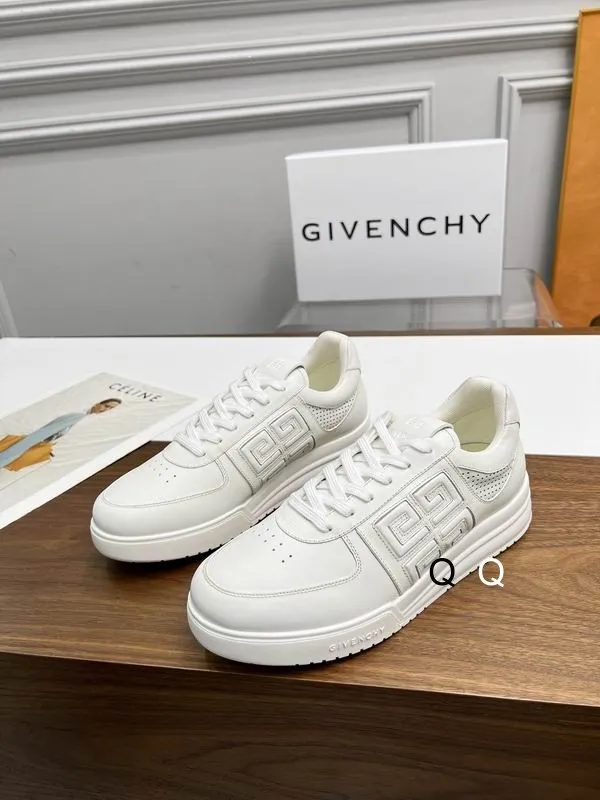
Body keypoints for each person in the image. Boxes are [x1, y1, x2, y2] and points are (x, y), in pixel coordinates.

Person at [0, 398, 121, 472]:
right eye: (106, 406)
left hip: (39, 444)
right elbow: (46, 430)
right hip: (32, 440)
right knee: (12, 455)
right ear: (98, 403)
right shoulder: (76, 415)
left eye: (110, 409)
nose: (105, 409)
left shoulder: (85, 419)